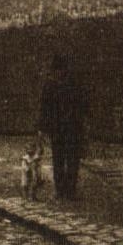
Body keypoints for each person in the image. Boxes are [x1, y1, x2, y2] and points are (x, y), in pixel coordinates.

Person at [38, 54, 88, 199]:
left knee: (70, 159)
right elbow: (44, 108)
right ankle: (61, 190)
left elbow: (82, 104)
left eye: (60, 70)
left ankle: (69, 190)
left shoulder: (71, 84)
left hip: (70, 128)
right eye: (57, 70)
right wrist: (42, 128)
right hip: (60, 129)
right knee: (60, 159)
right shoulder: (52, 85)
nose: (59, 73)